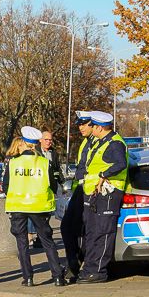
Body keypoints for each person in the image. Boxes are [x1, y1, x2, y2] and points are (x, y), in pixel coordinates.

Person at [3, 127, 66, 287]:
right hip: (39, 207)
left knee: (22, 243)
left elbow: (6, 186)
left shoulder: (13, 162)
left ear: (24, 143)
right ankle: (58, 276)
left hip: (18, 207)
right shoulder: (45, 163)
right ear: (35, 145)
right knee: (47, 242)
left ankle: (28, 277)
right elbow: (52, 185)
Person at [79, 111, 128, 284]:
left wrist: (103, 174)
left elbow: (121, 164)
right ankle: (89, 269)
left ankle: (98, 271)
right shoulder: (102, 142)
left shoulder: (114, 144)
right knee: (93, 232)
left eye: (94, 126)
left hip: (109, 193)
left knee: (103, 232)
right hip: (96, 193)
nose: (91, 129)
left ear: (100, 127)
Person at [60, 111, 95, 282]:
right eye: (79, 124)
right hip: (81, 189)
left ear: (93, 124)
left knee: (87, 231)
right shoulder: (85, 142)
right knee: (68, 228)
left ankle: (76, 264)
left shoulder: (101, 143)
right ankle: (73, 263)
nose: (80, 127)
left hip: (93, 190)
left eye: (84, 123)